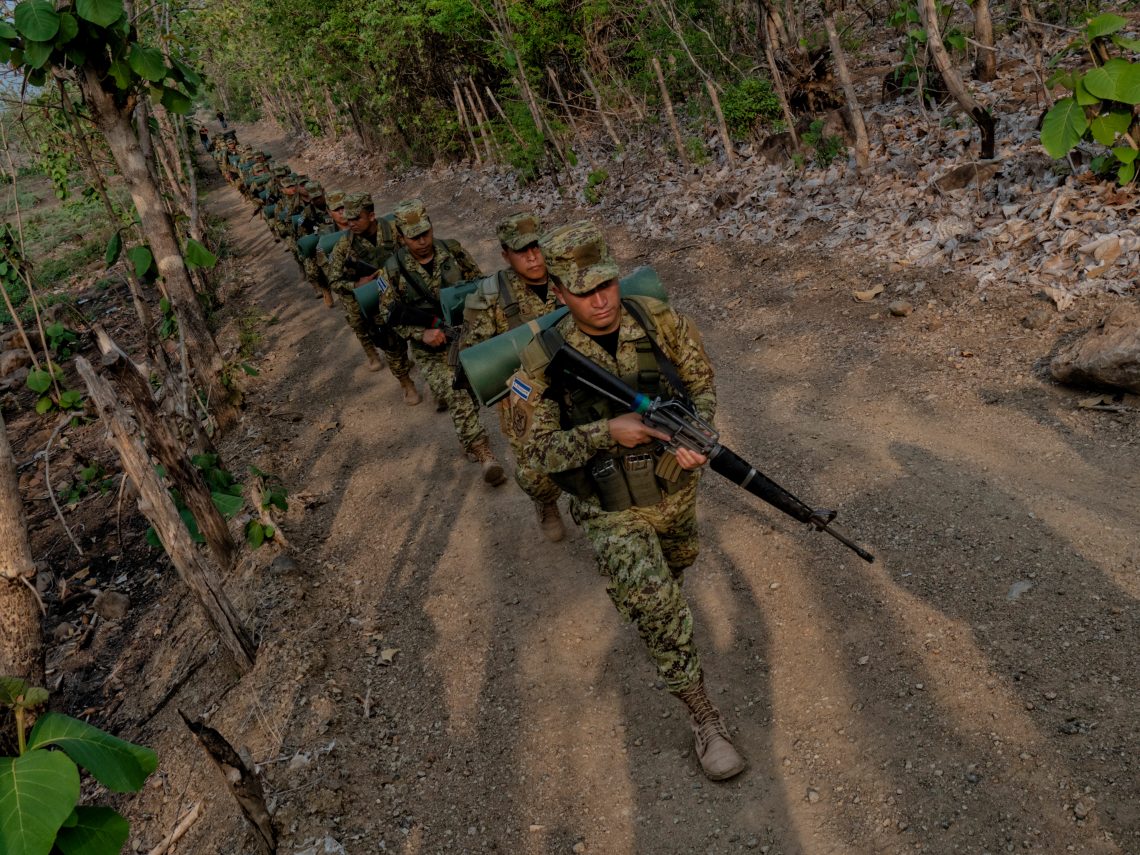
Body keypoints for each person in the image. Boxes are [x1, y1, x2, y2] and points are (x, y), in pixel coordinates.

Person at [510, 220, 746, 781]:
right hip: (609, 504)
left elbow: (702, 383)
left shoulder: (659, 320)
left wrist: (697, 432)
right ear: (559, 294)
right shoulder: (539, 361)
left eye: (607, 285)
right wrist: (604, 432)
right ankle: (704, 718)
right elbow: (537, 451)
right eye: (583, 291)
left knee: (676, 569)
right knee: (655, 601)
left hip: (673, 487)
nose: (599, 300)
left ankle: (657, 610)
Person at [378, 198, 506, 485]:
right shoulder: (392, 270)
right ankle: (484, 453)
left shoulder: (453, 250)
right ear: (400, 237)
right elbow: (388, 315)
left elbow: (481, 284)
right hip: (430, 349)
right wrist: (419, 333)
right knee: (456, 392)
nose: (423, 241)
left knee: (474, 393)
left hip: (465, 336)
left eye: (426, 233)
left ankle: (467, 435)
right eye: (414, 237)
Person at [462, 212, 566, 540]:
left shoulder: (569, 277)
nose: (533, 256)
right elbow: (478, 355)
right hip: (526, 394)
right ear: (506, 254)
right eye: (522, 250)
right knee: (535, 471)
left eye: (537, 246)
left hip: (578, 381)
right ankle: (546, 502)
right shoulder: (489, 297)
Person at [326, 193, 411, 379]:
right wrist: (356, 284)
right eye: (349, 219)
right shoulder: (344, 246)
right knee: (392, 347)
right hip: (376, 304)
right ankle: (407, 384)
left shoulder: (395, 231)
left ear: (371, 216)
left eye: (357, 218)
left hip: (405, 293)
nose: (351, 223)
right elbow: (334, 281)